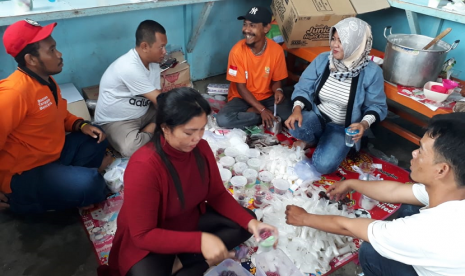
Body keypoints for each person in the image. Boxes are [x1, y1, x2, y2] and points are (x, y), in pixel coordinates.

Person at [104, 87, 278, 276]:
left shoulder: (201, 148)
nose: (197, 138)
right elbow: (143, 235)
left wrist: (253, 224)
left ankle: (187, 262)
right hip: (155, 237)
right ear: (165, 128)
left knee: (244, 222)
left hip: (189, 220)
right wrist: (201, 241)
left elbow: (217, 194)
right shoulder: (144, 166)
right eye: (189, 132)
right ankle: (193, 261)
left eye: (202, 129)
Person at [285, 112, 465, 276]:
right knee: (411, 205)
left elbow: (348, 226)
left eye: (421, 151)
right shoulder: (452, 189)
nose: (414, 153)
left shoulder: (423, 231)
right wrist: (350, 183)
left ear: (441, 170)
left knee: (371, 251)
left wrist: (304, 218)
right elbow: (395, 191)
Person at [0, 19, 111, 214]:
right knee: (92, 184)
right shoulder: (13, 93)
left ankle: (67, 186)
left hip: (52, 157)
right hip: (25, 172)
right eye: (51, 50)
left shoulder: (47, 81)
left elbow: (59, 114)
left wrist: (80, 125)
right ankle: (21, 203)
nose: (59, 54)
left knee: (97, 134)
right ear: (31, 60)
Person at [284, 17, 387, 174]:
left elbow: (377, 106)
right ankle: (312, 140)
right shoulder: (323, 60)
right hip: (319, 116)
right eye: (333, 39)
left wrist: (363, 125)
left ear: (356, 44)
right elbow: (304, 86)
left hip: (342, 128)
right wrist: (297, 109)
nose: (334, 45)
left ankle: (327, 141)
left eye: (341, 41)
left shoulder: (372, 72)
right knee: (296, 126)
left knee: (323, 166)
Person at [94, 20, 167, 157]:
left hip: (143, 112)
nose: (164, 52)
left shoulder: (154, 63)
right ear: (145, 46)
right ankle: (153, 127)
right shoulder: (129, 67)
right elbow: (160, 100)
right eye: (161, 47)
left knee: (178, 111)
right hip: (117, 120)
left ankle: (148, 130)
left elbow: (159, 99)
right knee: (131, 148)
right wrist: (160, 120)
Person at [216, 6, 291, 129]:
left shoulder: (276, 51)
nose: (246, 30)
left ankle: (255, 114)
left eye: (252, 25)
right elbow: (240, 87)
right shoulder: (237, 52)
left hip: (267, 97)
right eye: (245, 24)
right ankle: (261, 114)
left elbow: (276, 80)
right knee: (223, 119)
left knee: (289, 114)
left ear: (266, 28)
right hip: (242, 98)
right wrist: (261, 110)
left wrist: (278, 90)